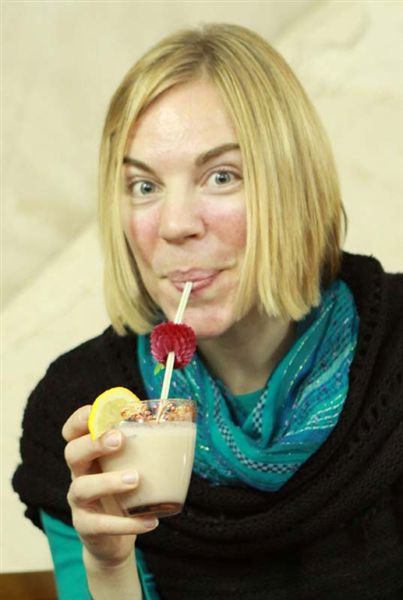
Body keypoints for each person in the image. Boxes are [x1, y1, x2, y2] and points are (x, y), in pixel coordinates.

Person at [12, 23, 403, 600]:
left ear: (293, 186)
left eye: (221, 176)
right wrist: (108, 565)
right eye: (144, 186)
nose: (175, 225)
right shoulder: (80, 406)